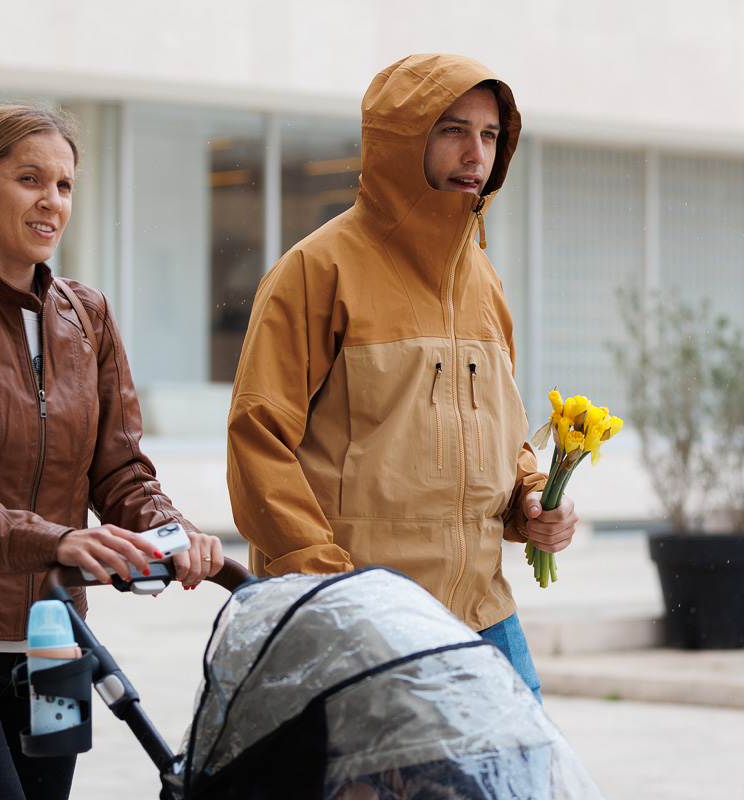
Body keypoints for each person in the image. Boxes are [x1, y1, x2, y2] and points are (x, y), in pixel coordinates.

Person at [0, 104, 224, 800]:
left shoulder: (87, 317)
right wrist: (58, 541)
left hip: (56, 643)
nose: (51, 201)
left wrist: (173, 532)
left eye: (64, 185)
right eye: (29, 179)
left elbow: (121, 473)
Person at [226, 54, 577, 702]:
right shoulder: (316, 271)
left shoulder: (483, 280)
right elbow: (258, 447)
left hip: (484, 617)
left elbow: (500, 436)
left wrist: (532, 500)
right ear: (399, 139)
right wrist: (332, 587)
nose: (476, 153)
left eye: (490, 135)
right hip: (361, 618)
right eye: (452, 129)